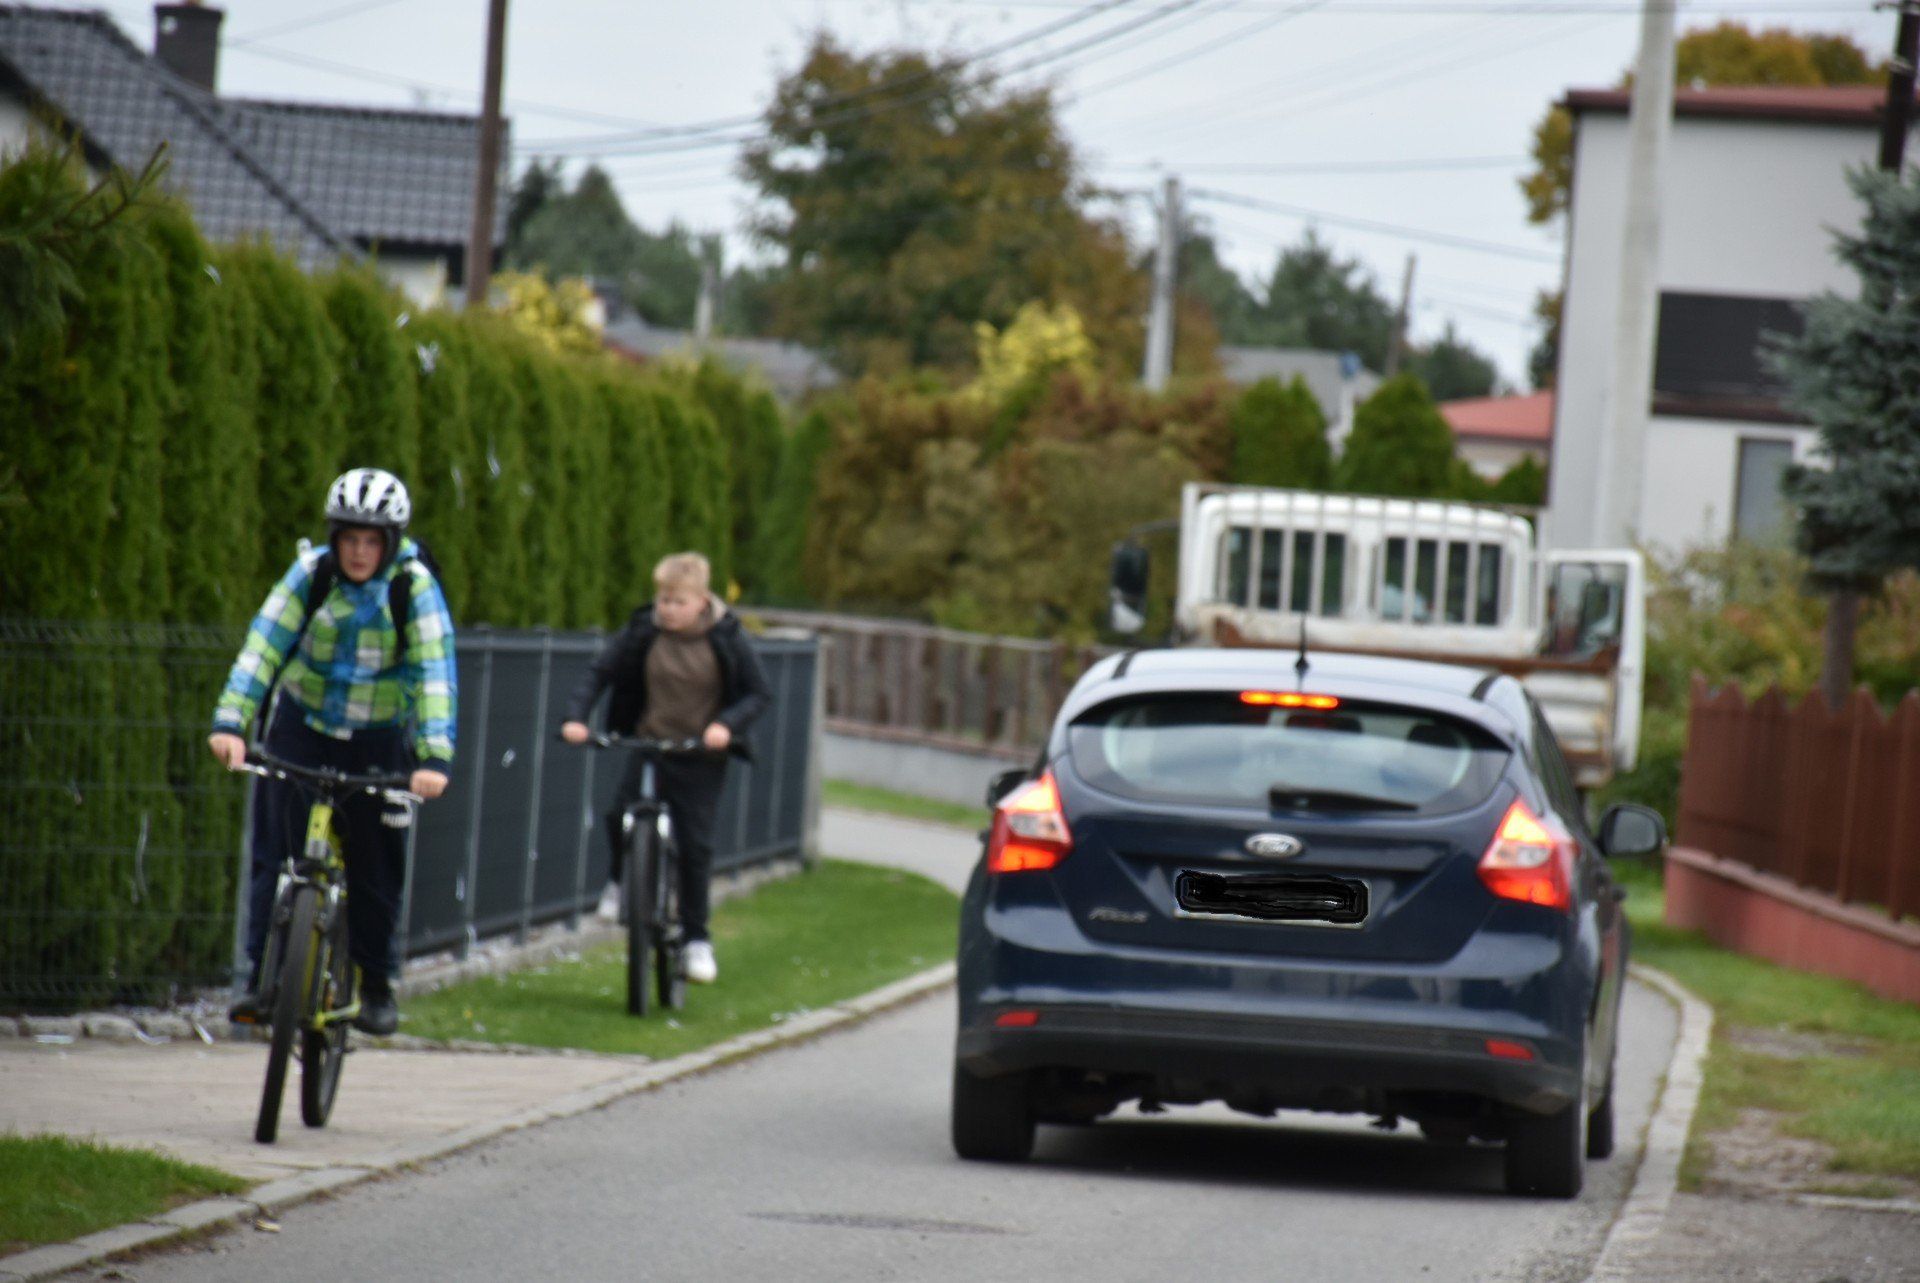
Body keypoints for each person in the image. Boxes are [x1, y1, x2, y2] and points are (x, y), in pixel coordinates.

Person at [208, 468, 456, 1036]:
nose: (360, 552)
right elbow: (262, 647)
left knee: (375, 864)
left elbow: (435, 673)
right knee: (274, 856)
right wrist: (231, 722)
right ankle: (259, 979)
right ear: (334, 537)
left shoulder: (412, 586)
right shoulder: (310, 573)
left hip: (378, 735)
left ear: (391, 542)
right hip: (304, 723)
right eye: (350, 538)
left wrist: (432, 759)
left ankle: (376, 983)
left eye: (373, 541)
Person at [560, 552, 769, 985]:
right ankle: (619, 884)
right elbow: (601, 671)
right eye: (663, 599)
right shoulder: (643, 631)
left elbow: (758, 693)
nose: (668, 609)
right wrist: (577, 718)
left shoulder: (726, 637)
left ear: (700, 601)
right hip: (651, 745)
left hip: (700, 756)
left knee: (695, 846)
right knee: (619, 815)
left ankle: (696, 940)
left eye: (678, 601)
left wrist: (724, 727)